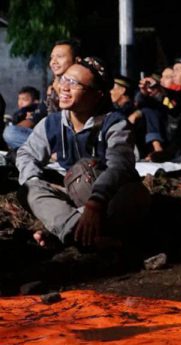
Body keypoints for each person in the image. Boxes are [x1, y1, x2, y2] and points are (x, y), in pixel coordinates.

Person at [16, 57, 150, 248]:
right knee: (29, 190)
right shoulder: (52, 123)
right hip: (74, 195)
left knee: (135, 194)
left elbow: (119, 166)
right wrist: (33, 178)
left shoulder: (114, 123)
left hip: (109, 197)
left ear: (97, 95)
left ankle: (68, 233)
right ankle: (78, 231)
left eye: (74, 83)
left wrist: (96, 202)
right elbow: (27, 154)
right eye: (64, 80)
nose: (64, 88)